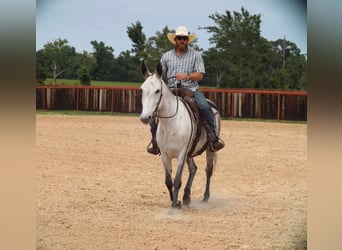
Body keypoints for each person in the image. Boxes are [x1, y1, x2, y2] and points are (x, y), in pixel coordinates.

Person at [147, 26, 225, 155]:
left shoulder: (196, 55)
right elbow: (159, 74)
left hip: (191, 89)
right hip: (171, 90)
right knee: (153, 113)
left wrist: (187, 76)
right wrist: (151, 76)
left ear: (188, 40)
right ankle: (155, 142)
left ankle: (213, 137)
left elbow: (200, 75)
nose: (182, 40)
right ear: (175, 40)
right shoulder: (166, 56)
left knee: (205, 107)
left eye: (184, 38)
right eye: (179, 38)